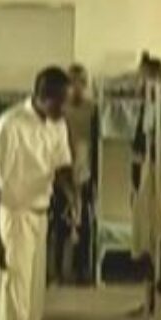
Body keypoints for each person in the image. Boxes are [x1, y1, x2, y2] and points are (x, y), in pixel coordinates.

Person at [0, 67, 75, 320]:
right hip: (12, 217)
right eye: (60, 103)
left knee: (33, 304)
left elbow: (61, 167)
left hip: (39, 216)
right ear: (43, 97)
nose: (64, 110)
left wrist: (72, 198)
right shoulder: (9, 126)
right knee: (13, 304)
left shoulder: (56, 124)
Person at [131, 54, 161, 319]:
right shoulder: (147, 108)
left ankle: (157, 303)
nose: (139, 83)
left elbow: (155, 149)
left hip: (155, 179)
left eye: (143, 78)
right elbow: (139, 149)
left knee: (157, 242)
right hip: (144, 177)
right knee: (145, 241)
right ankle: (148, 301)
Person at [55, 63, 96, 286]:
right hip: (62, 169)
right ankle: (58, 271)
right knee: (61, 222)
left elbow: (95, 143)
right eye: (73, 83)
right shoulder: (60, 110)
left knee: (85, 223)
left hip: (84, 168)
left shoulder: (92, 109)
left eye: (81, 82)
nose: (77, 87)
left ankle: (83, 270)